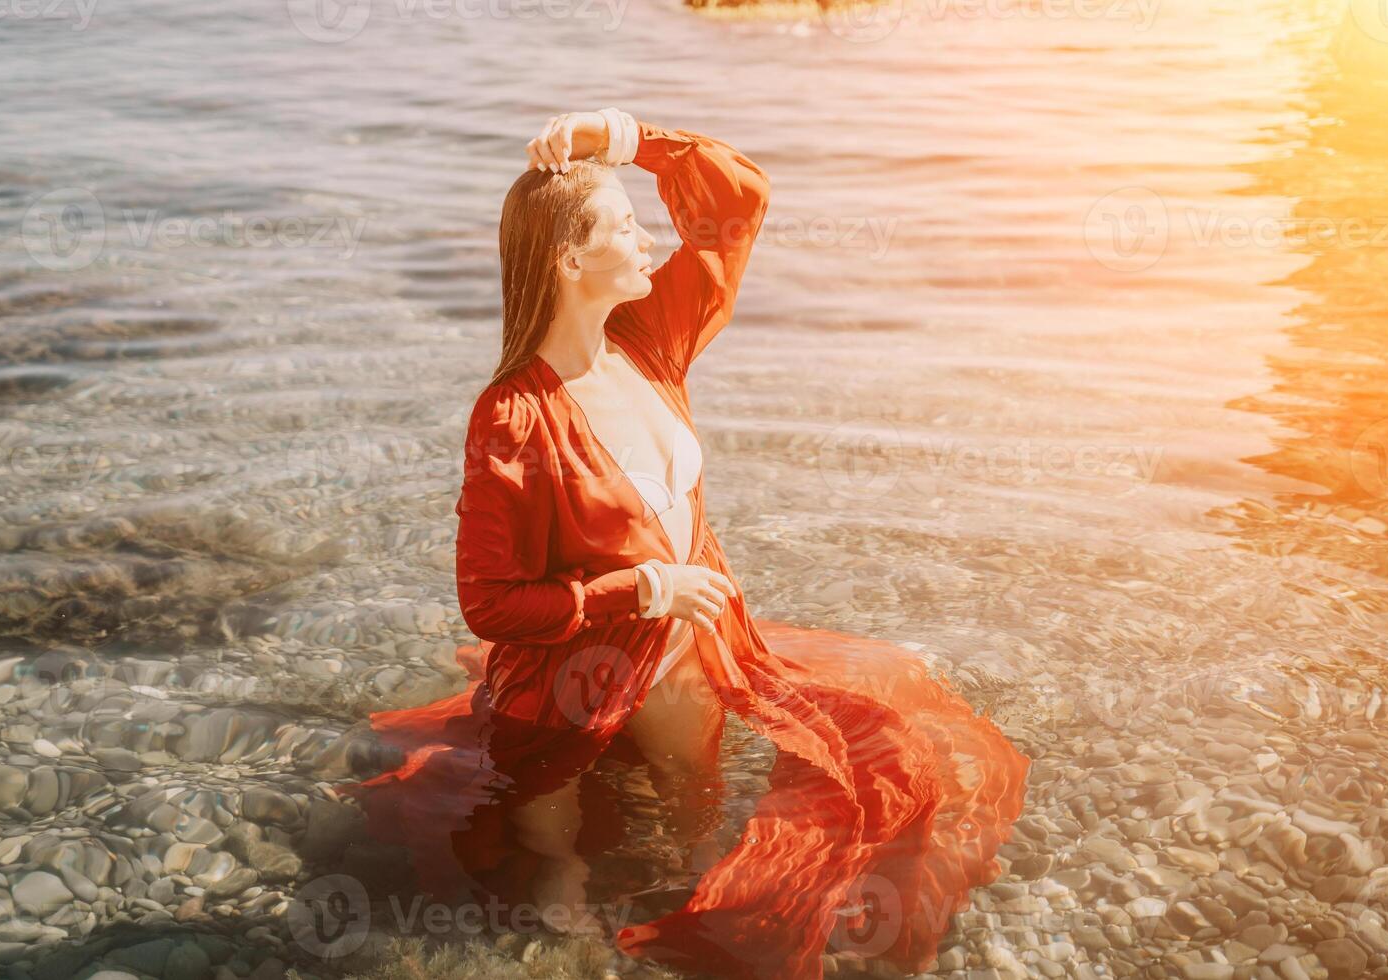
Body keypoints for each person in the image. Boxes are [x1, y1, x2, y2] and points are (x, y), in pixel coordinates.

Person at [353, 109, 1030, 980]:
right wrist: (639, 591)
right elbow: (489, 602)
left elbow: (736, 201)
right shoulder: (514, 415)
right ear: (569, 261)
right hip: (571, 675)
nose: (649, 240)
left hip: (692, 647)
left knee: (709, 830)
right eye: (627, 226)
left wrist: (623, 135)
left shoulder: (651, 342)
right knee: (556, 880)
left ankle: (684, 931)